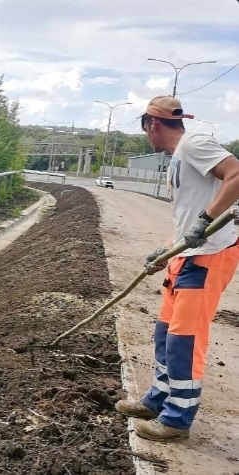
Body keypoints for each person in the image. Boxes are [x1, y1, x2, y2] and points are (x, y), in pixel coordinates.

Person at [116, 95, 239, 441]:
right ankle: (158, 400)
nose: (147, 139)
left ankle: (176, 420)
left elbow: (236, 174)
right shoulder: (178, 158)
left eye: (145, 131)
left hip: (207, 259)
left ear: (152, 124)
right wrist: (167, 252)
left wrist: (206, 219)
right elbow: (187, 219)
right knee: (165, 335)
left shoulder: (194, 144)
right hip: (184, 260)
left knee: (184, 340)